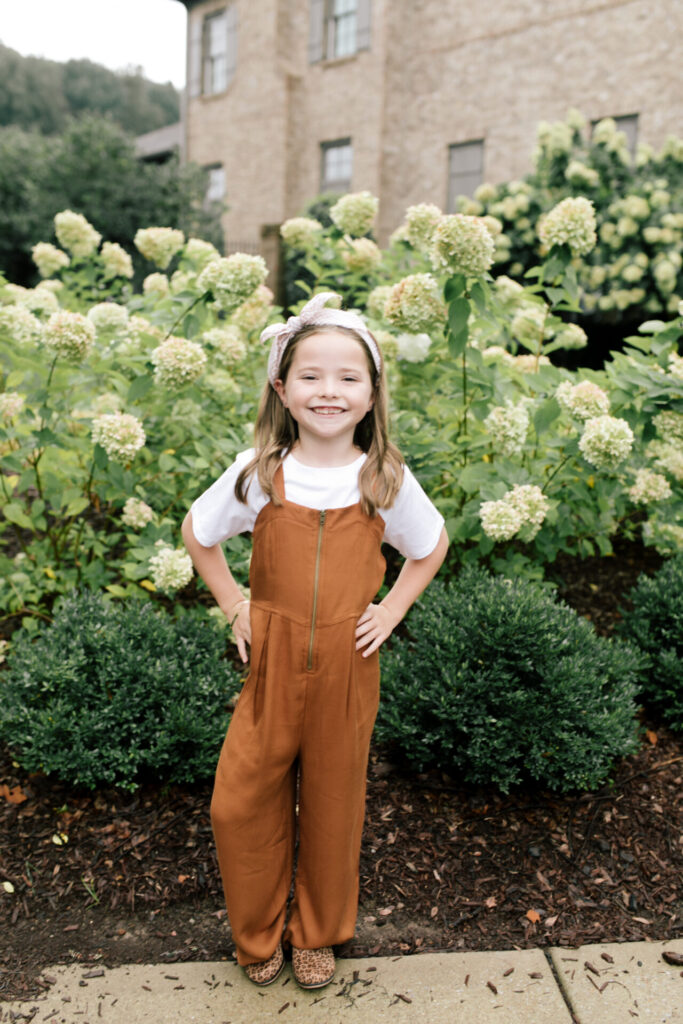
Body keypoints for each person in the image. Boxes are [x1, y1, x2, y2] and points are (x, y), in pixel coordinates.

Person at [181, 292, 448, 990]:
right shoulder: (260, 473)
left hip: (347, 667)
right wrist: (235, 602)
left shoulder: (382, 479)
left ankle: (318, 932)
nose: (328, 391)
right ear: (281, 387)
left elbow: (430, 547)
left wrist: (390, 611)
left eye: (346, 378)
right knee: (239, 801)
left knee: (333, 803)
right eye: (310, 376)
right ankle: (257, 933)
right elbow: (198, 534)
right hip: (269, 664)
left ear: (370, 392)